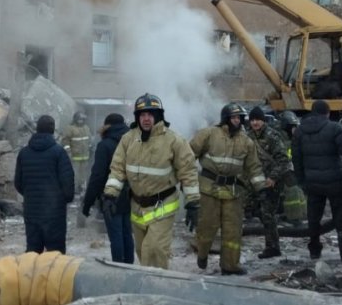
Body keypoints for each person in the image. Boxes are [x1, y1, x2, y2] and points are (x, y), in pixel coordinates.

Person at [101, 93, 200, 270]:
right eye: (142, 114)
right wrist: (110, 195)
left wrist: (193, 203)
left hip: (162, 206)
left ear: (158, 116)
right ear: (137, 117)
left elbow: (188, 171)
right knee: (141, 250)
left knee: (153, 250)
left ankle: (156, 289)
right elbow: (117, 169)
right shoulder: (128, 139)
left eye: (150, 114)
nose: (146, 119)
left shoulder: (174, 141)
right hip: (137, 206)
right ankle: (148, 283)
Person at [291, 100, 342, 286]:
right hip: (335, 182)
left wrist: (302, 181)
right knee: (341, 217)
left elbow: (296, 160)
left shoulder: (299, 131)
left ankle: (314, 248)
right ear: (327, 113)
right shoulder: (334, 128)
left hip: (312, 183)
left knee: (314, 217)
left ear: (312, 113)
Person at [190, 103, 266, 275]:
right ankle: (202, 253)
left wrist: (260, 188)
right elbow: (188, 155)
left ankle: (230, 265)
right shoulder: (208, 134)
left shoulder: (246, 142)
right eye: (233, 117)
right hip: (209, 188)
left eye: (239, 118)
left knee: (233, 230)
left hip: (233, 192)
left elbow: (253, 167)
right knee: (207, 226)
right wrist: (186, 180)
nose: (237, 121)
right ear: (225, 118)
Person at [14, 115, 75, 254]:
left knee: (33, 252)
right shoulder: (59, 152)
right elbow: (68, 181)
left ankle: (32, 275)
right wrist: (64, 199)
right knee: (55, 254)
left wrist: (31, 195)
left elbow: (18, 182)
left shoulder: (24, 153)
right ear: (53, 130)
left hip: (32, 210)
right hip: (54, 212)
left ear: (37, 128)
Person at [82, 113, 134, 264]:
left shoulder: (104, 145)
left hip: (111, 196)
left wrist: (87, 202)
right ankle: (129, 266)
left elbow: (97, 176)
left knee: (116, 235)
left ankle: (118, 268)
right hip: (130, 194)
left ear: (107, 126)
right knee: (126, 233)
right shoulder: (132, 142)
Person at [247, 106, 292, 259]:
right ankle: (272, 243)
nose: (255, 123)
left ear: (263, 121)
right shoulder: (249, 136)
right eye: (252, 120)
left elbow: (283, 160)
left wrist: (273, 178)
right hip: (256, 181)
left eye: (258, 120)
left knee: (268, 214)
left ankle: (273, 247)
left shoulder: (273, 136)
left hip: (271, 182)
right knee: (255, 210)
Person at [62, 111, 92, 193]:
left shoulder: (86, 127)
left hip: (85, 156)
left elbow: (89, 140)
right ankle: (73, 190)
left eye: (82, 119)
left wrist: (90, 147)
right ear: (75, 119)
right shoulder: (70, 128)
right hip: (74, 157)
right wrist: (68, 152)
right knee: (75, 175)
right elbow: (65, 141)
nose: (81, 121)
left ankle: (82, 189)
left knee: (83, 175)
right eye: (79, 119)